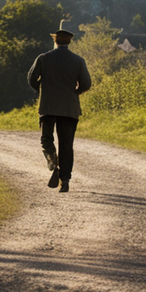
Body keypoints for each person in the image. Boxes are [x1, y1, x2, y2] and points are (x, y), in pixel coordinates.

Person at [27, 21, 92, 192]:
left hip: (48, 106)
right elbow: (86, 83)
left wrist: (40, 88)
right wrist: (75, 92)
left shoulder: (43, 58)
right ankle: (65, 180)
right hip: (69, 109)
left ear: (55, 41)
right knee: (66, 144)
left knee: (46, 138)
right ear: (69, 42)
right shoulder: (78, 61)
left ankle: (51, 159)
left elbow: (31, 78)